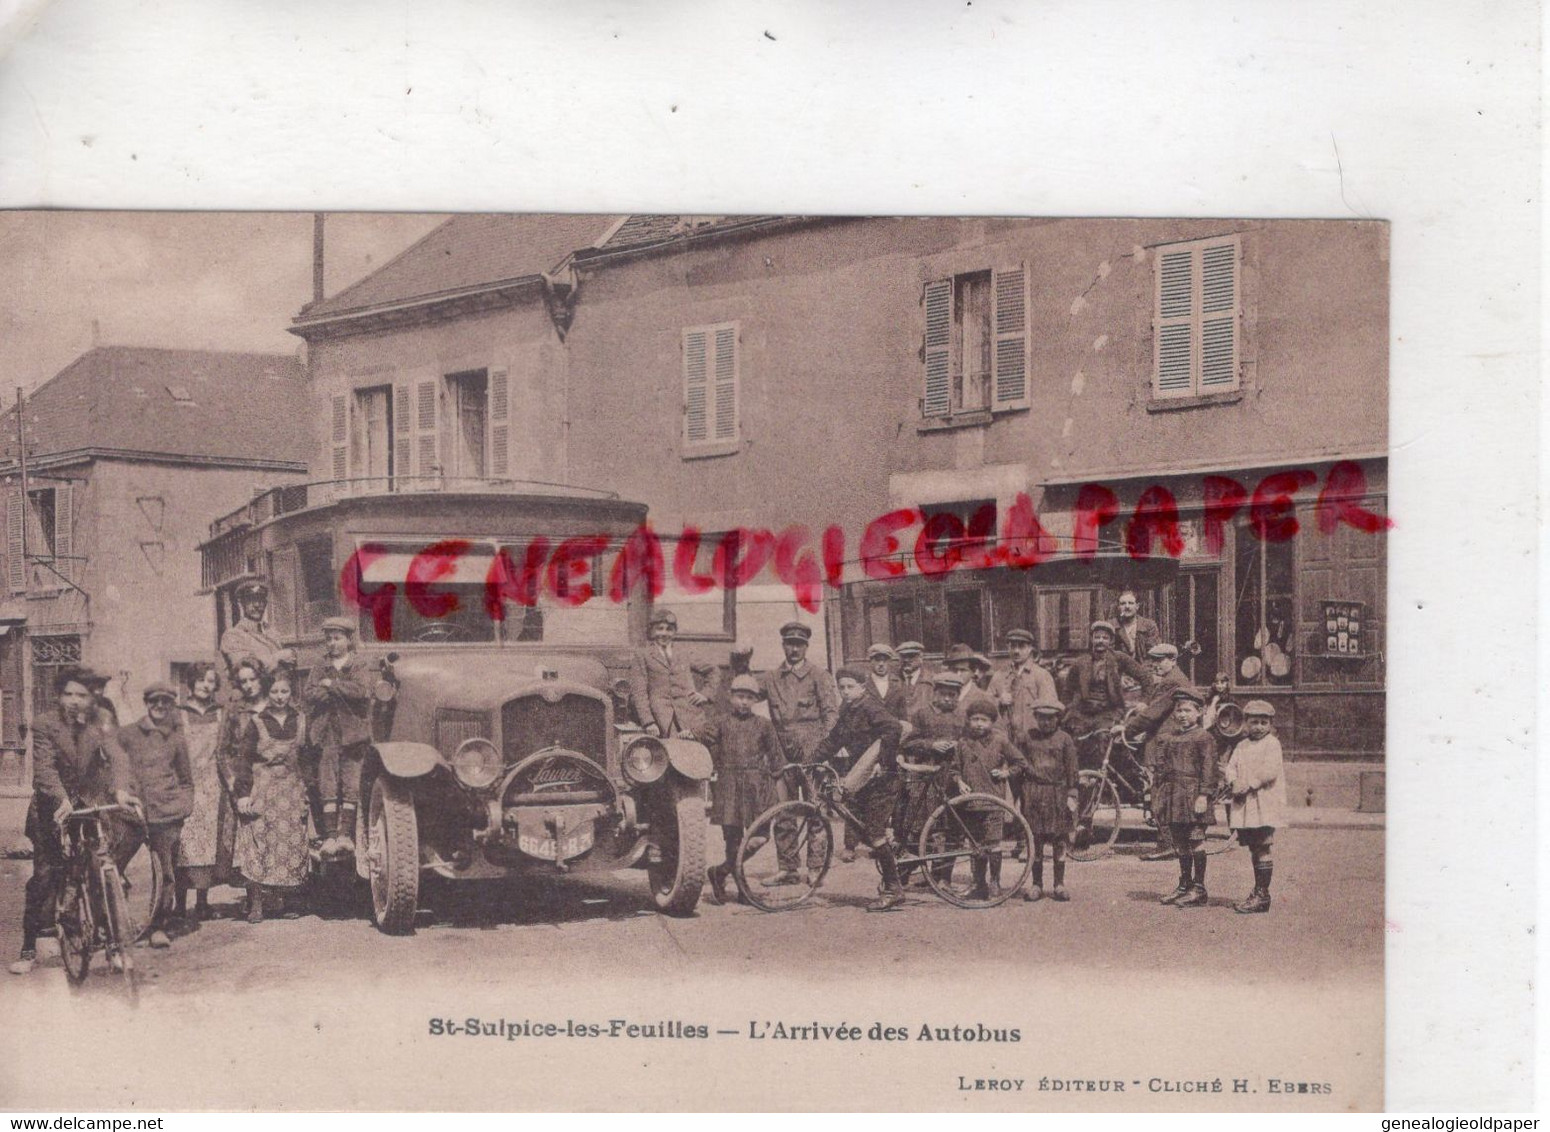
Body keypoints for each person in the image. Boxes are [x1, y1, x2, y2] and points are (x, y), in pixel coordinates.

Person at [9, 668, 138, 975]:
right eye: (68, 694)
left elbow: (117, 755)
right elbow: (44, 769)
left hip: (89, 807)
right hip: (51, 809)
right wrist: (61, 798)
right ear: (58, 696)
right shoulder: (44, 724)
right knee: (44, 877)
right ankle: (28, 948)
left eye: (81, 695)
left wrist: (121, 790)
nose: (74, 701)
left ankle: (111, 946)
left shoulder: (100, 721)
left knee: (99, 873)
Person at [801, 667, 905, 912]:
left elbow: (894, 729)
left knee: (874, 830)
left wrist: (884, 762)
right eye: (842, 687)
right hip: (864, 776)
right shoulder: (847, 710)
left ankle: (894, 888)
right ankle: (893, 870)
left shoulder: (870, 707)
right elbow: (834, 740)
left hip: (882, 777)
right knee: (863, 827)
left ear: (862, 687)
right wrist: (809, 761)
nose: (846, 692)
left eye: (850, 687)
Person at [116, 682, 196, 948]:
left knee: (165, 874)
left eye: (165, 702)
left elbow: (186, 778)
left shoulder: (175, 737)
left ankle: (158, 926)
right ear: (146, 703)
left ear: (171, 705)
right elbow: (115, 768)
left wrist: (183, 806)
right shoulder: (128, 734)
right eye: (154, 701)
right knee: (113, 867)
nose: (159, 706)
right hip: (132, 815)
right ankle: (111, 926)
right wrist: (122, 794)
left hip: (166, 815)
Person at [759, 621, 839, 880]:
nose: (794, 649)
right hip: (781, 750)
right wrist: (739, 664)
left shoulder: (819, 675)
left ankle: (816, 868)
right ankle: (788, 868)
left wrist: (823, 750)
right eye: (789, 644)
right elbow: (745, 691)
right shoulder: (771, 678)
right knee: (783, 809)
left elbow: (830, 715)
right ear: (783, 646)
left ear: (806, 646)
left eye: (799, 644)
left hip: (812, 750)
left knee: (817, 809)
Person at [232, 668, 312, 923]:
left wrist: (310, 791)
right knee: (258, 842)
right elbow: (243, 760)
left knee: (290, 843)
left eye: (285, 691)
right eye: (275, 691)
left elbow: (310, 759)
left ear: (291, 693)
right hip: (262, 789)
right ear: (268, 693)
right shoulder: (256, 722)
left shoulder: (300, 720)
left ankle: (286, 900)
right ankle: (256, 903)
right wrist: (243, 794)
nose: (280, 697)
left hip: (291, 789)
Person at [699, 674, 783, 905]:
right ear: (730, 697)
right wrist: (689, 733)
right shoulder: (720, 722)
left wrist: (778, 786)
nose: (744, 702)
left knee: (761, 836)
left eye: (749, 698)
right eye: (739, 697)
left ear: (755, 700)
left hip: (757, 787)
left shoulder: (764, 725)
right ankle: (743, 890)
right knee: (733, 841)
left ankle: (721, 871)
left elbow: (776, 759)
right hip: (728, 786)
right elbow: (700, 736)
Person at [302, 616, 373, 859]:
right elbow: (310, 694)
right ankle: (330, 835)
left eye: (337, 638)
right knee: (328, 783)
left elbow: (361, 691)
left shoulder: (358, 665)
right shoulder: (319, 666)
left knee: (352, 783)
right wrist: (333, 690)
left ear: (348, 640)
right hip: (326, 734)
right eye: (329, 639)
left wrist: (331, 684)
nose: (332, 644)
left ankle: (346, 835)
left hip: (353, 734)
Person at [173, 661, 236, 923]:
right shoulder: (179, 714)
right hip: (186, 785)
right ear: (191, 683)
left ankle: (202, 902)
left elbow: (226, 750)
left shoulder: (222, 713)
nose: (205, 686)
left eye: (210, 681)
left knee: (208, 845)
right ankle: (178, 905)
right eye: (200, 680)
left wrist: (230, 780)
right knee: (183, 844)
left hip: (213, 786)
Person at [951, 694, 1028, 901]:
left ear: (992, 722)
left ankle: (994, 882)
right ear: (969, 720)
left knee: (993, 844)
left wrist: (1005, 773)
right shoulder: (963, 743)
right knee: (975, 845)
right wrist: (959, 781)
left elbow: (1020, 763)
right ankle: (978, 884)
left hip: (994, 802)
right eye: (974, 719)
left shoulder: (1000, 741)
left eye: (983, 720)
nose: (978, 724)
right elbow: (954, 769)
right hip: (970, 804)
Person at [1122, 643, 1193, 861]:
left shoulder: (1172, 681)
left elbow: (1153, 714)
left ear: (1172, 660)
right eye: (1153, 660)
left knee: (1159, 791)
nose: (1155, 665)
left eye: (1160, 660)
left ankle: (1166, 844)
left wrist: (1126, 729)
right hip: (1168, 740)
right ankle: (1170, 842)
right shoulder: (1176, 678)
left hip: (1164, 743)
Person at [1152, 687, 1219, 909]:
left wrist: (1204, 795)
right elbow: (1162, 769)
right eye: (1179, 710)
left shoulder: (1204, 738)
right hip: (1174, 796)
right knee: (1180, 841)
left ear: (1199, 712)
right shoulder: (1169, 738)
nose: (1182, 714)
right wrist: (1158, 792)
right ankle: (1185, 885)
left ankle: (1199, 888)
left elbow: (1209, 770)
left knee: (1195, 839)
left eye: (1188, 710)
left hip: (1193, 796)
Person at [896, 673, 967, 883]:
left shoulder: (962, 716)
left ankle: (941, 877)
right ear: (935, 693)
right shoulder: (921, 714)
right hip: (926, 775)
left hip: (952, 777)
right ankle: (903, 875)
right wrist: (931, 745)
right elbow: (907, 743)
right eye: (943, 694)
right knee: (918, 826)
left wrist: (958, 745)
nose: (947, 699)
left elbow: (969, 742)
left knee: (950, 829)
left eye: (952, 695)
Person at [1220, 700, 1287, 914]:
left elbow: (1270, 771)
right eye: (1254, 722)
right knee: (1254, 847)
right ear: (1246, 723)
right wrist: (1232, 781)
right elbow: (1231, 767)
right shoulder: (1242, 745)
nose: (1258, 727)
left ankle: (1262, 894)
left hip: (1264, 803)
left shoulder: (1272, 744)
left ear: (1270, 724)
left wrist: (1248, 784)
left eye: (1263, 722)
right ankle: (1259, 891)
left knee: (1263, 845)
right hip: (1246, 804)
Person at [1061, 621, 1153, 767]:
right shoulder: (1081, 662)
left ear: (1110, 641)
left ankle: (1103, 780)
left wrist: (1144, 701)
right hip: (1084, 712)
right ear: (1091, 639)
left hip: (1109, 711)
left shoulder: (1119, 658)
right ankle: (1082, 778)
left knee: (1104, 738)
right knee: (1074, 739)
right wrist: (1068, 708)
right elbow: (1067, 689)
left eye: (1104, 638)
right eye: (1097, 637)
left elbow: (1146, 677)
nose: (1100, 641)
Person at [1019, 698, 1079, 902]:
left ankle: (1059, 884)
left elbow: (1072, 769)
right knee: (1035, 841)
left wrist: (1072, 794)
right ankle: (1036, 884)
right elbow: (1019, 765)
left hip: (1058, 794)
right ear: (1035, 718)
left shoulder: (1065, 739)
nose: (1045, 722)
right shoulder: (1027, 738)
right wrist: (1020, 796)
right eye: (1041, 718)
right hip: (1034, 794)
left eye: (1050, 718)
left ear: (1057, 718)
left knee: (1059, 840)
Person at [628, 609, 715, 738]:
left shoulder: (683, 653)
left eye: (669, 629)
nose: (664, 633)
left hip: (690, 717)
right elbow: (639, 692)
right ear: (652, 631)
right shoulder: (643, 655)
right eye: (660, 629)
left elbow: (713, 670)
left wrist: (706, 694)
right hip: (661, 720)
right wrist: (648, 722)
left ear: (674, 632)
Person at [989, 628, 1059, 747]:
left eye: (1021, 646)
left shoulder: (1041, 675)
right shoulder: (999, 676)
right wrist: (999, 701)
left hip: (1033, 740)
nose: (1016, 651)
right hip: (1005, 741)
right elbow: (985, 706)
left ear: (1030, 648)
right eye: (1012, 646)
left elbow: (1050, 710)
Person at [218, 580, 296, 678]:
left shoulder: (271, 632)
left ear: (266, 603)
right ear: (241, 604)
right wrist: (277, 658)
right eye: (251, 600)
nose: (257, 605)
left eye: (260, 600)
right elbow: (245, 669)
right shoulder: (233, 636)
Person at [1111, 589, 1160, 661]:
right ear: (1118, 607)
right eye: (1123, 603)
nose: (1127, 606)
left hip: (1144, 668)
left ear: (1137, 606)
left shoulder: (1149, 626)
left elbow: (1153, 654)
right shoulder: (1111, 626)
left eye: (1130, 603)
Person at [863, 643, 908, 719]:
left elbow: (902, 712)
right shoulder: (864, 683)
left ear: (890, 662)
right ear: (870, 661)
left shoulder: (898, 683)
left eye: (885, 660)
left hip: (893, 729)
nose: (881, 664)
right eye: (877, 660)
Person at [895, 641, 932, 716]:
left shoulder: (932, 680)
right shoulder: (892, 680)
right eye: (903, 656)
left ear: (920, 657)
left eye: (911, 656)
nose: (906, 660)